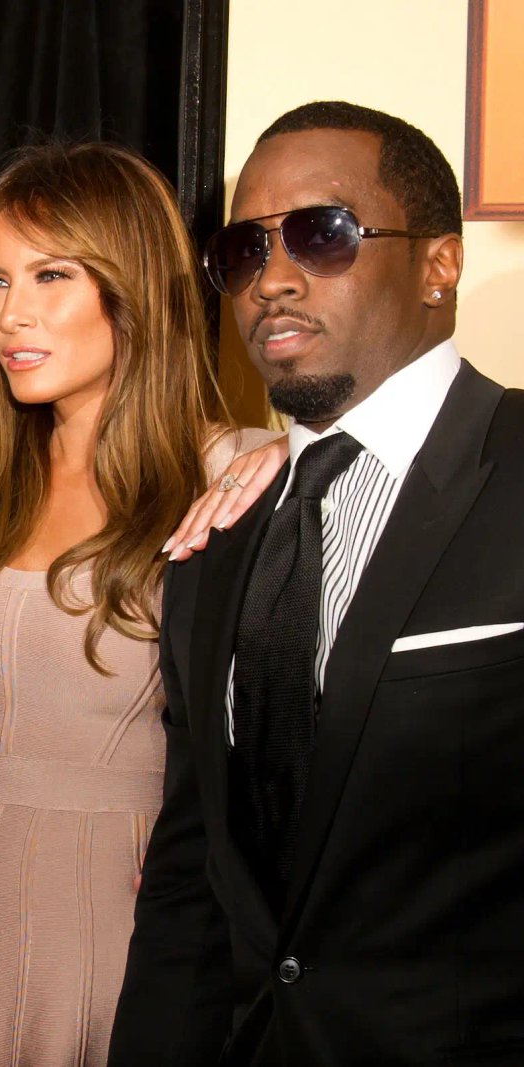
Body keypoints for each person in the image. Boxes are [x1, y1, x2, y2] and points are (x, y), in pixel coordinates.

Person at [109, 100, 524, 1066]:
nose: (274, 279)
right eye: (243, 252)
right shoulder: (214, 537)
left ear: (439, 263)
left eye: (322, 234)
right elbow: (192, 877)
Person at [0, 143, 274, 1067]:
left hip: (119, 894)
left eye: (51, 274)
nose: (12, 312)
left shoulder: (234, 475)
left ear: (136, 288)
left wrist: (307, 453)